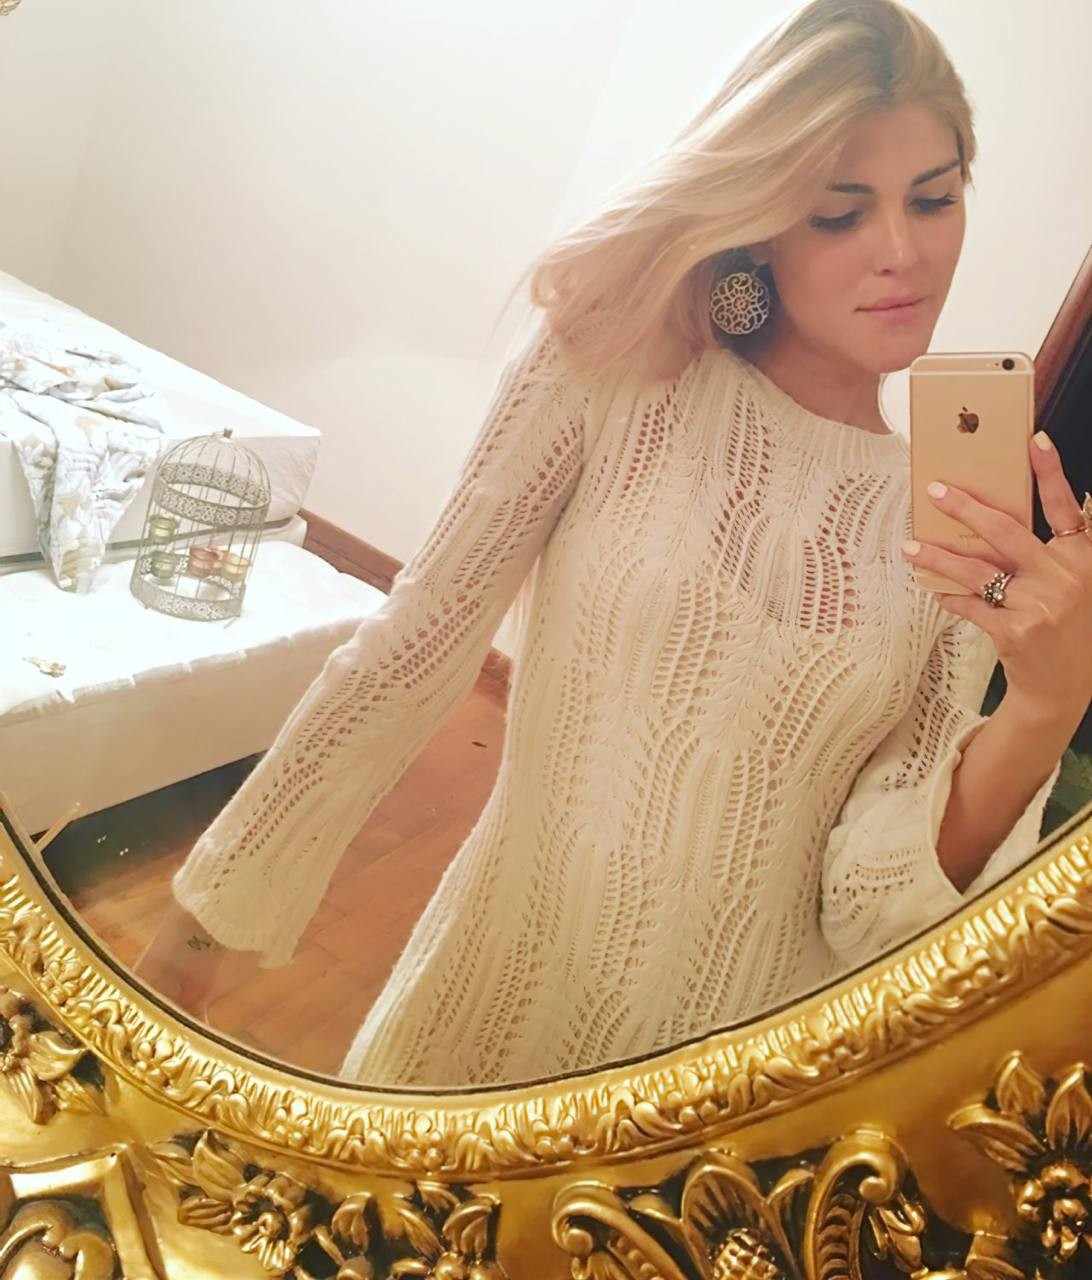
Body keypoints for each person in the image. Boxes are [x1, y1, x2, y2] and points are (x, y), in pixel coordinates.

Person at [136, 0, 1092, 1087]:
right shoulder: (613, 374)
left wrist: (1045, 706)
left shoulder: (952, 522)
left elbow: (868, 909)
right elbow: (413, 646)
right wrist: (199, 930)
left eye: (935, 198)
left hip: (726, 1113)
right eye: (840, 212)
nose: (903, 253)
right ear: (762, 217)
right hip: (478, 1026)